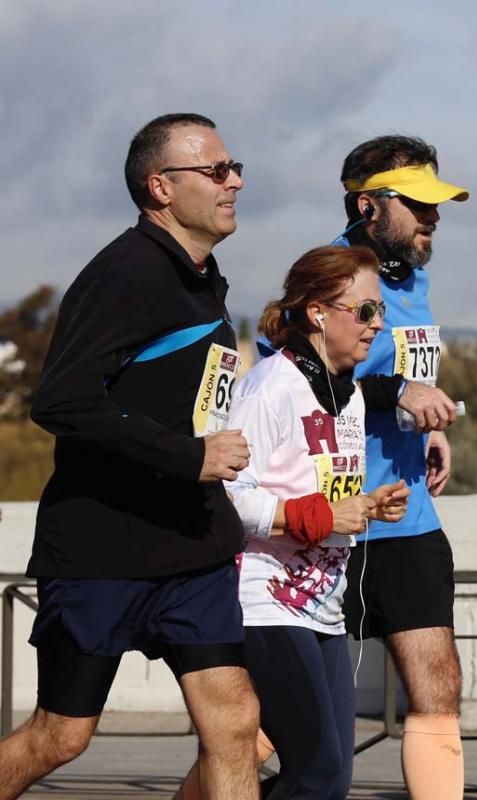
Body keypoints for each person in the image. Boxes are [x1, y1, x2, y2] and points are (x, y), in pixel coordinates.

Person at [0, 113, 260, 799]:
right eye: (216, 170)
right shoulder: (125, 273)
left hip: (192, 549)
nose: (234, 181)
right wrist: (187, 457)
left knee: (234, 724)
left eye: (235, 168)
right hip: (102, 552)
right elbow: (60, 402)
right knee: (61, 735)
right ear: (161, 187)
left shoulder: (201, 275)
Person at [177, 245, 411, 799]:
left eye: (381, 313)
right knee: (319, 774)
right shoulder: (270, 387)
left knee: (332, 776)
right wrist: (321, 515)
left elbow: (319, 492)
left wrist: (368, 505)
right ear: (318, 312)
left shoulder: (349, 395)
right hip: (263, 601)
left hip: (324, 608)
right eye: (365, 312)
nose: (377, 326)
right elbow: (226, 496)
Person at [330, 134, 468, 799]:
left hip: (408, 515)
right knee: (278, 724)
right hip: (333, 524)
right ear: (370, 207)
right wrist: (396, 394)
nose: (434, 218)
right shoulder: (327, 277)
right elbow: (296, 385)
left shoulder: (413, 277)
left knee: (437, 688)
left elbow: (403, 375)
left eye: (437, 204)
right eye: (420, 205)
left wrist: (426, 428)